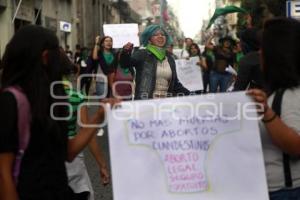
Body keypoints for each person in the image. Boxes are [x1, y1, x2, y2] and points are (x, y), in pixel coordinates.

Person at [0, 25, 116, 200]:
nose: (63, 58)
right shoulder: (10, 101)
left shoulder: (55, 96)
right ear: (45, 57)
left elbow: (67, 152)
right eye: (58, 51)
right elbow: (4, 174)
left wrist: (99, 115)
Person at [247, 18, 300, 200]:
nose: (259, 52)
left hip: (285, 192)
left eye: (263, 47)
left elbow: (296, 145)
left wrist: (267, 114)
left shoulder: (289, 96)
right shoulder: (281, 93)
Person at [120, 24, 189, 100]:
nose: (160, 36)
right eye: (156, 35)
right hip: (146, 102)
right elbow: (124, 64)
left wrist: (191, 94)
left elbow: (175, 84)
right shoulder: (142, 54)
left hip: (166, 103)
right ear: (149, 39)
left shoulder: (170, 58)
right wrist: (125, 52)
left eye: (163, 35)